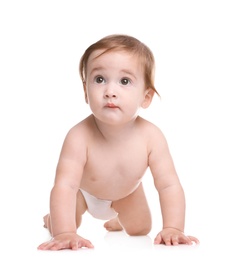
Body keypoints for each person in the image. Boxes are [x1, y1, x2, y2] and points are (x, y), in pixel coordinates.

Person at [37, 34, 199, 250]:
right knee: (67, 221)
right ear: (86, 91)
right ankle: (52, 220)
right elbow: (65, 185)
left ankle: (116, 220)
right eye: (99, 79)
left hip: (127, 194)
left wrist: (174, 228)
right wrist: (64, 232)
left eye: (125, 81)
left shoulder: (151, 137)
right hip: (83, 194)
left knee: (141, 228)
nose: (110, 92)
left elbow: (168, 185)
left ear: (146, 97)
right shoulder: (78, 136)